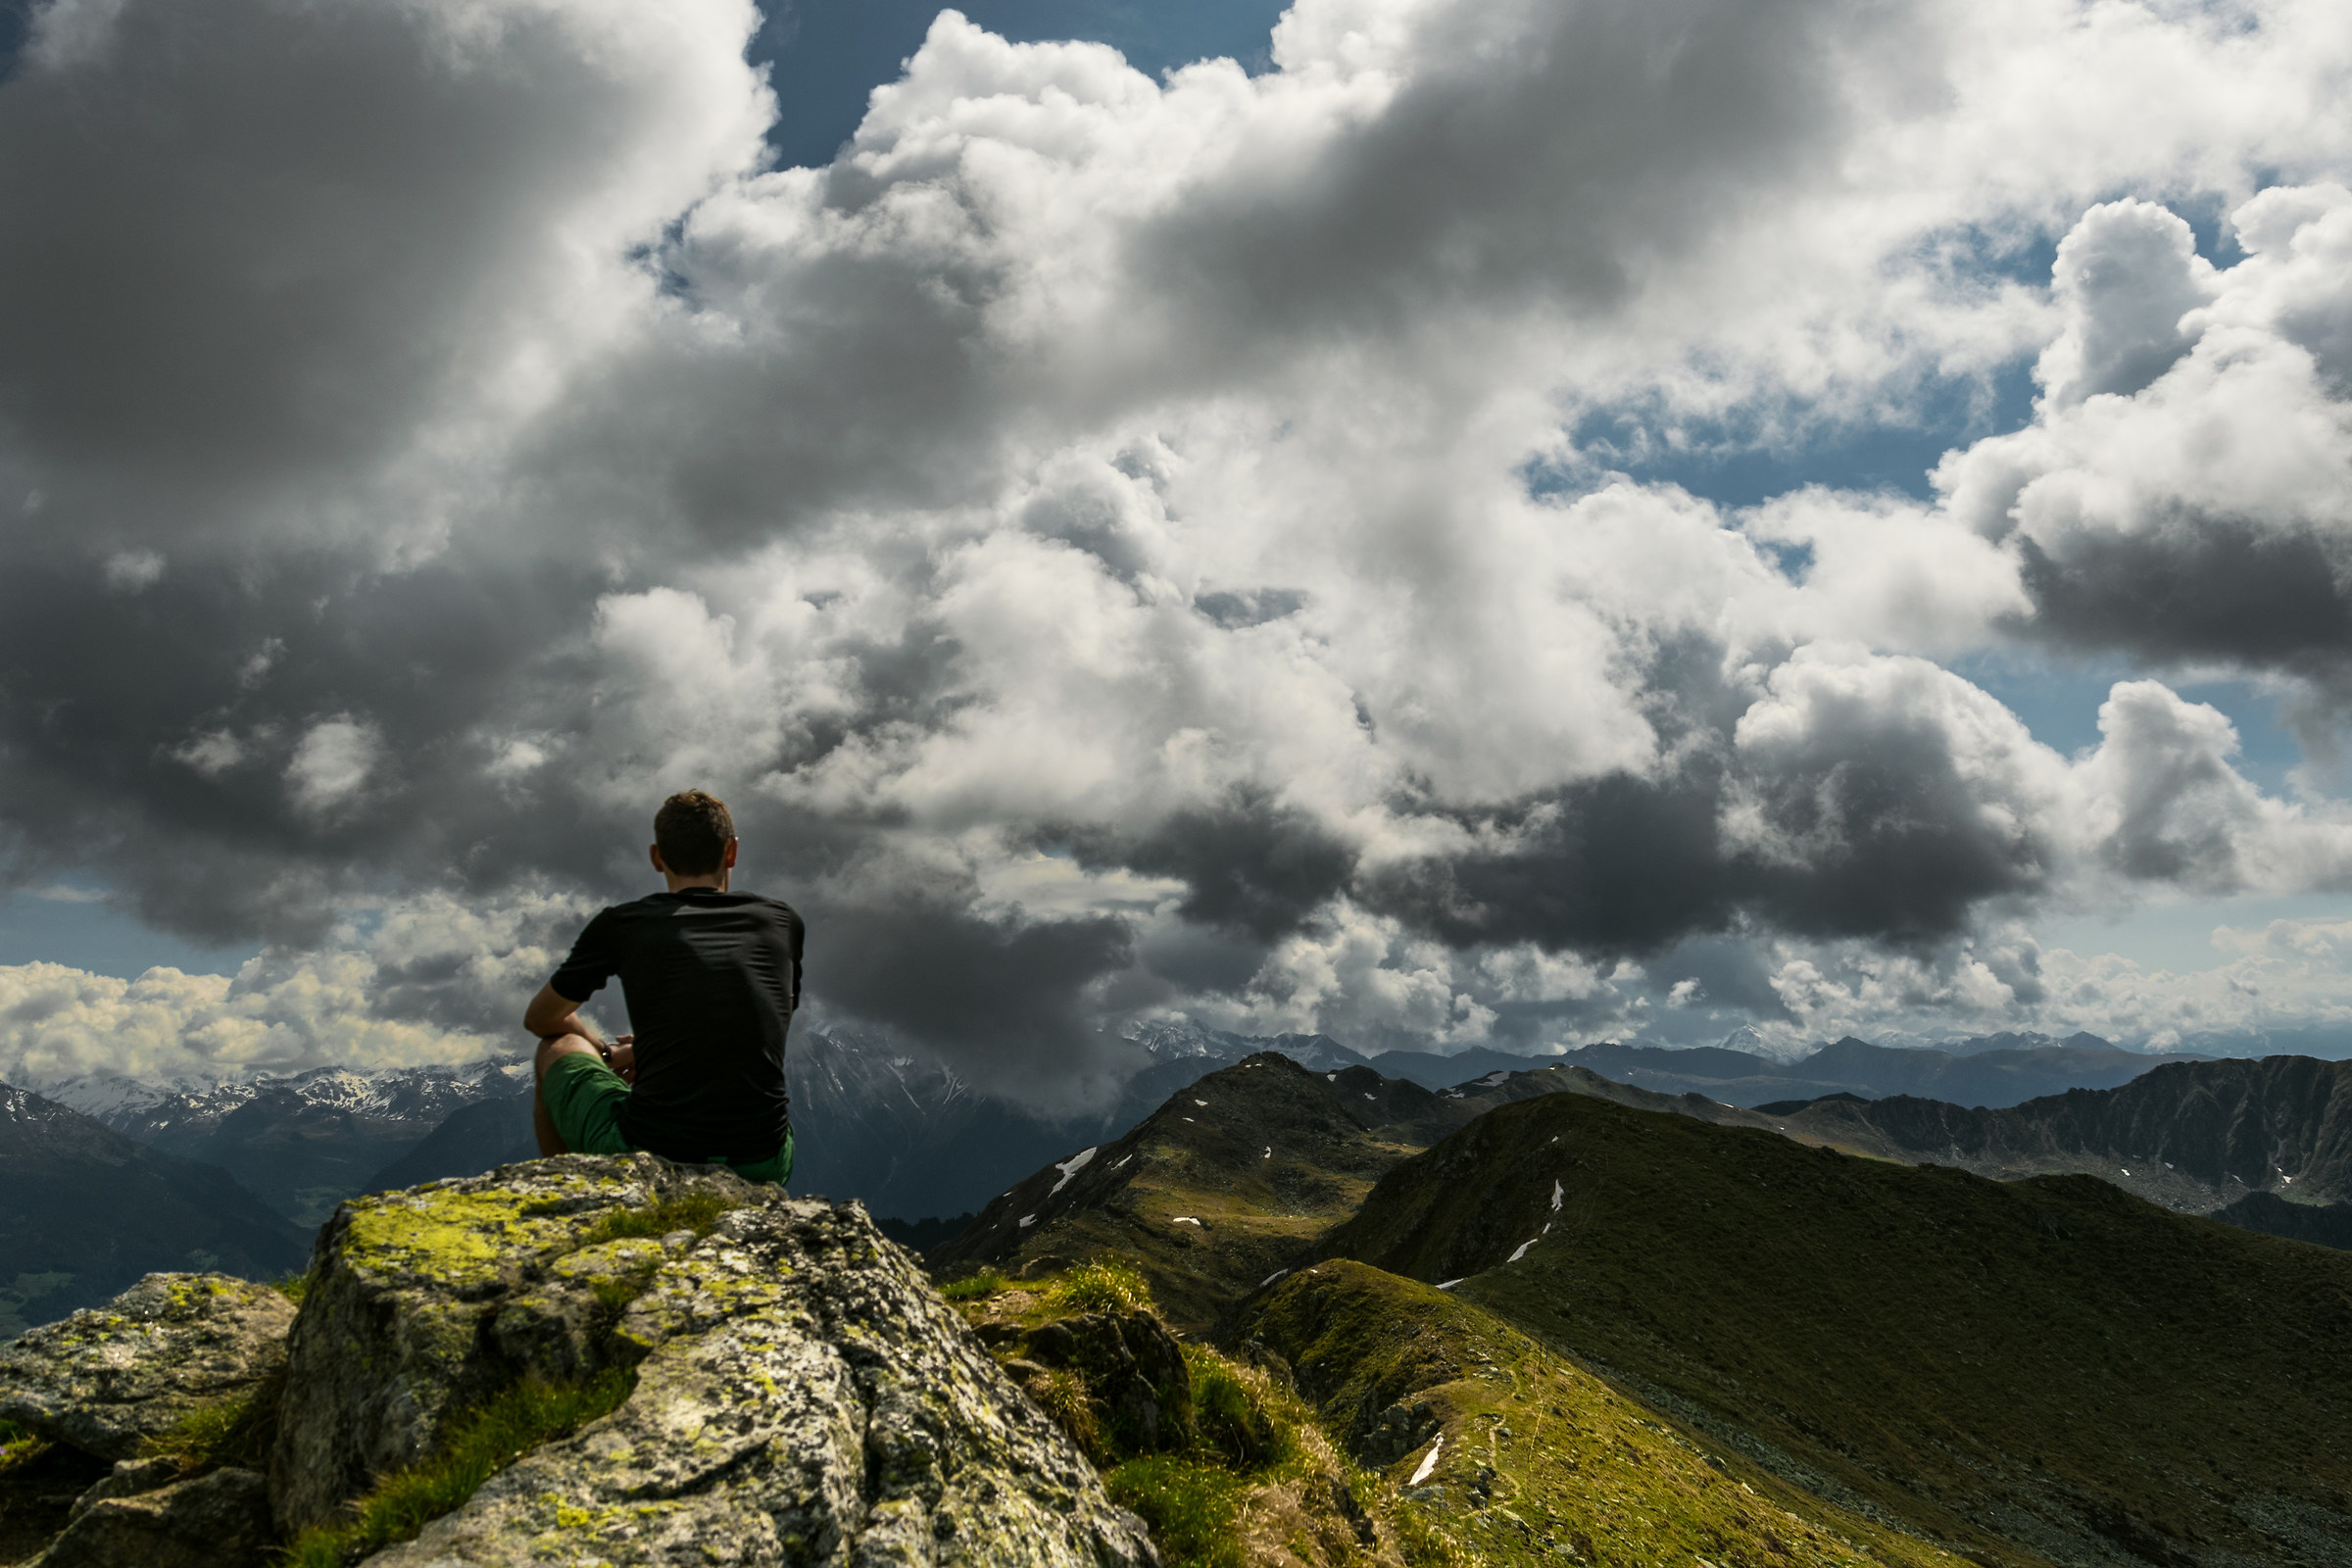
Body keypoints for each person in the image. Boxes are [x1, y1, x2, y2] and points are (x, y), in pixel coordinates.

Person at [523, 789, 804, 1186]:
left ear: (656, 858)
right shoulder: (781, 921)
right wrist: (651, 1048)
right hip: (765, 1159)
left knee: (554, 1047)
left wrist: (605, 1051)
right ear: (732, 852)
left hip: (654, 1152)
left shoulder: (623, 925)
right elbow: (757, 1019)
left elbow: (540, 1019)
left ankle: (565, 1198)